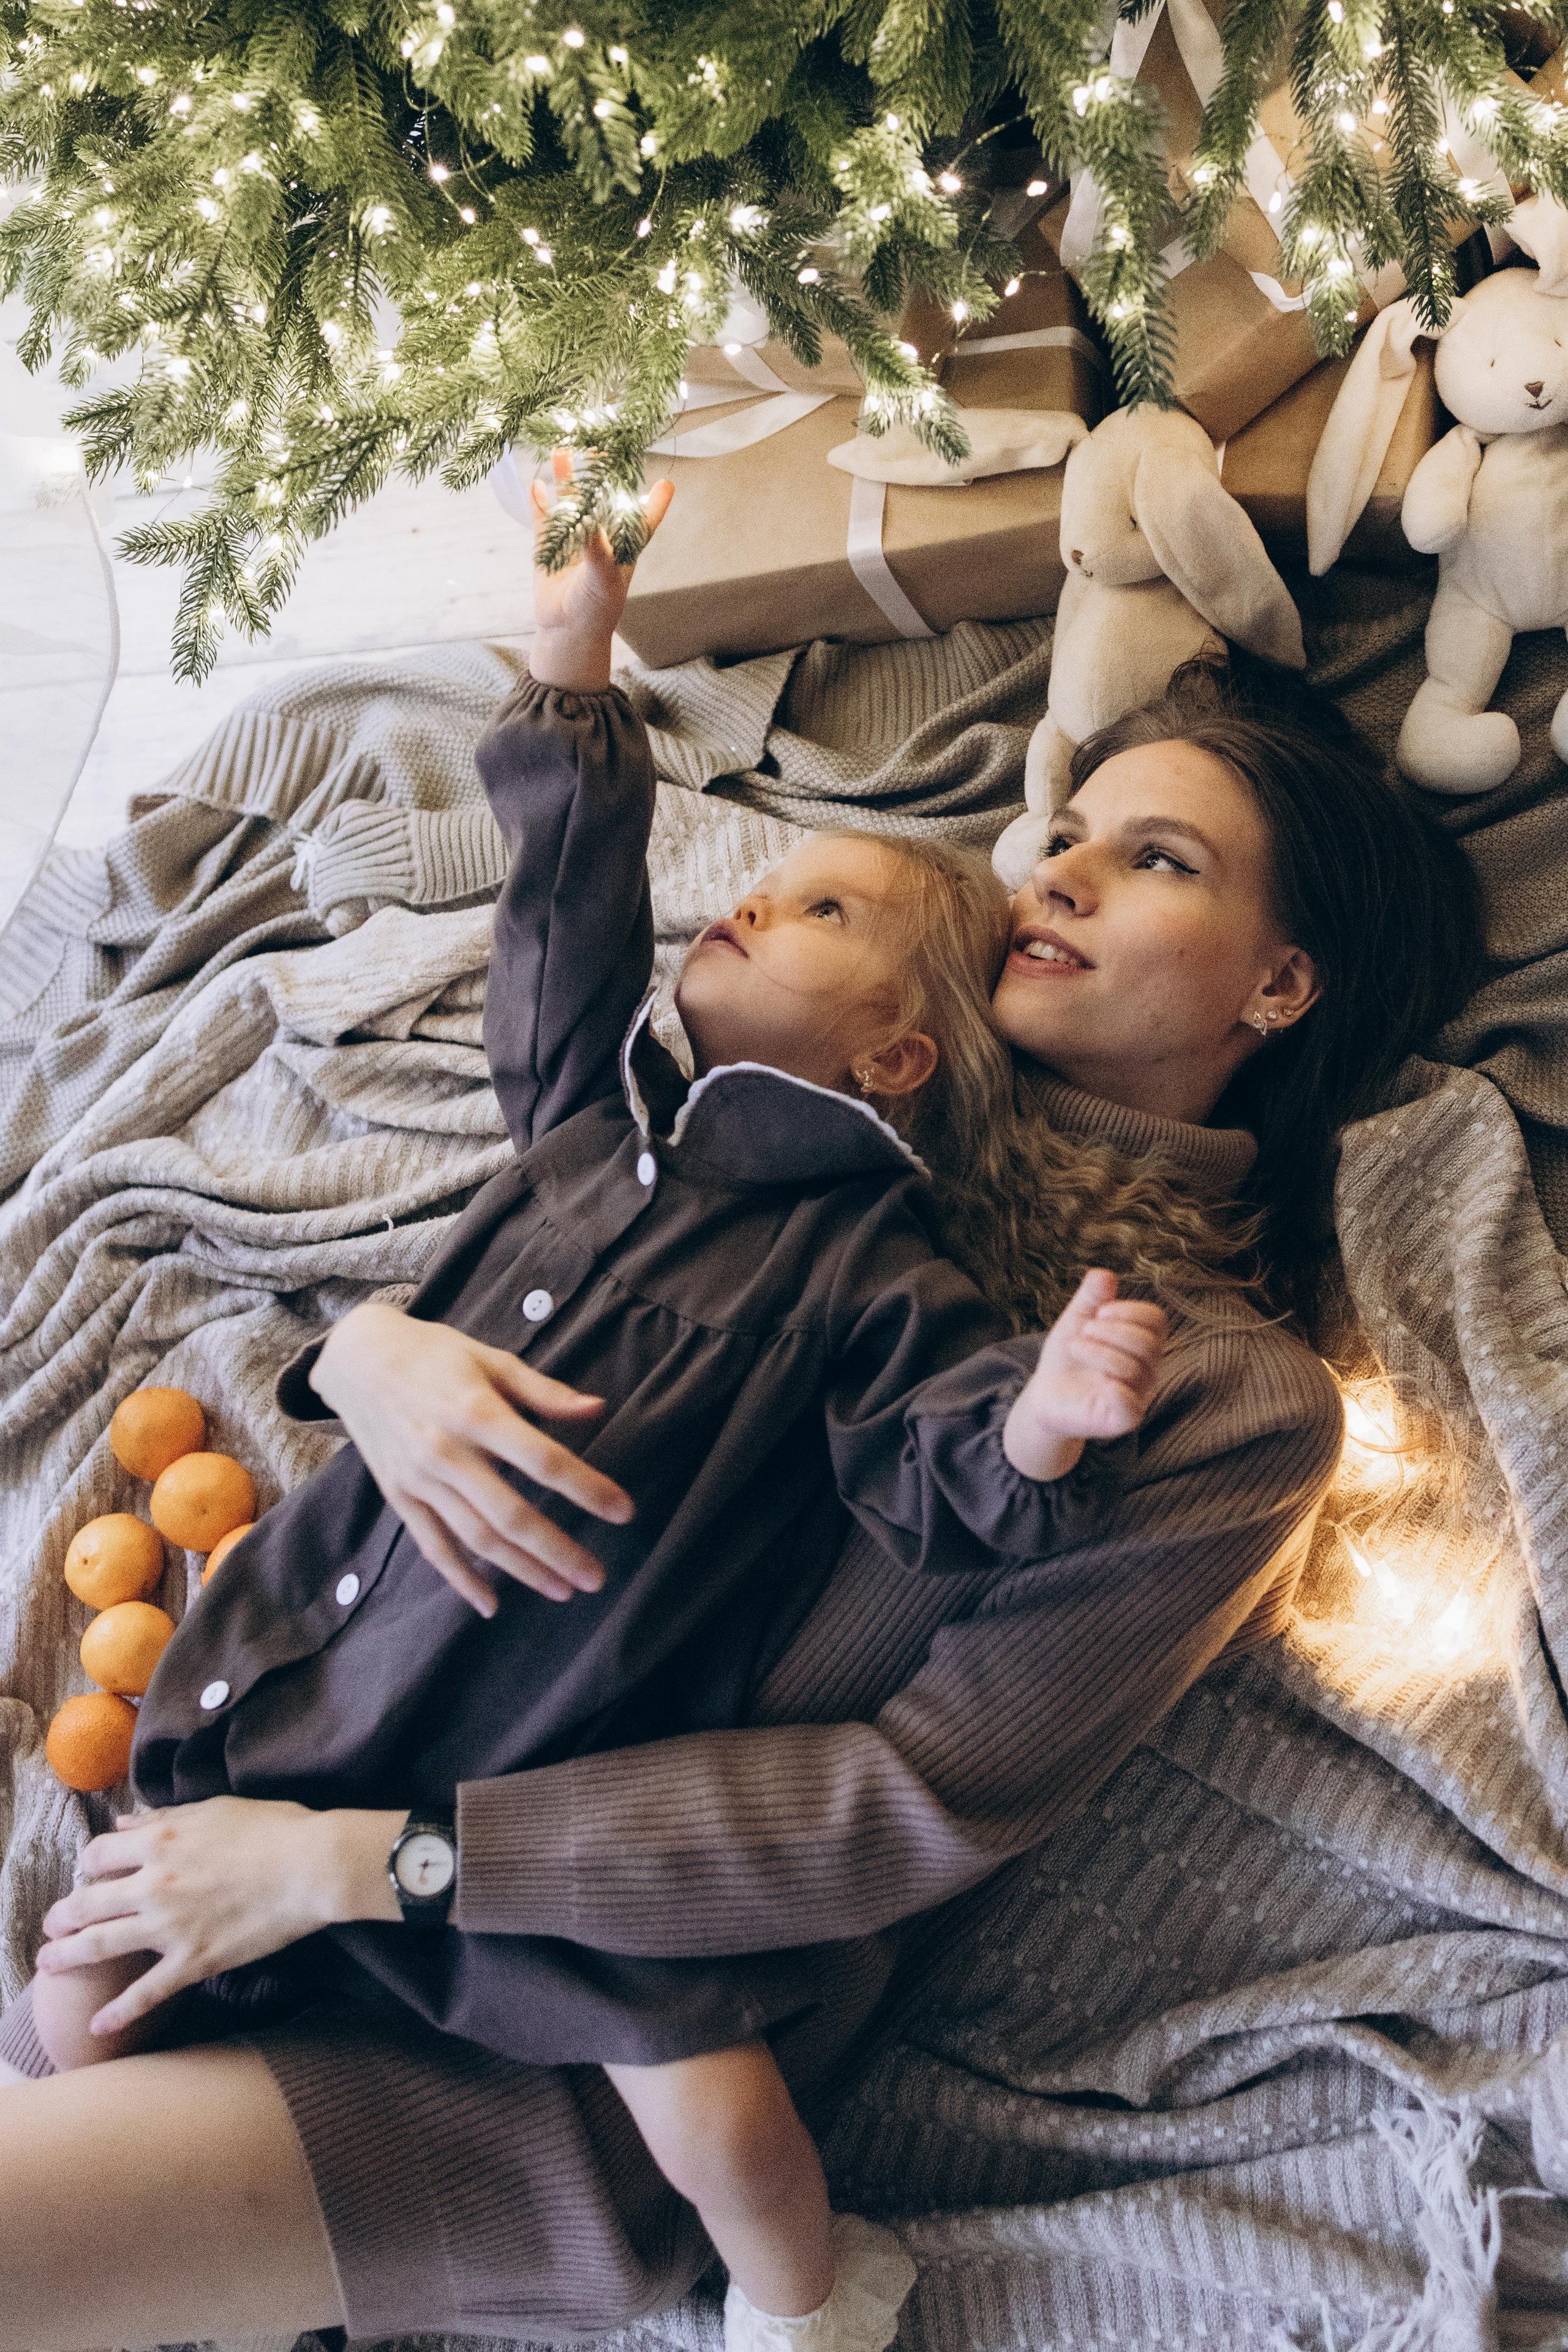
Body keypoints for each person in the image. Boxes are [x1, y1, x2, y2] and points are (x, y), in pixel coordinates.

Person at [0, 568, 1483, 2352]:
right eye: (1066, 831)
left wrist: (371, 1863)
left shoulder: (1218, 1402)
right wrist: (370, 1355)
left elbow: (901, 1801)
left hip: (569, 2034)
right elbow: (551, 1255)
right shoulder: (805, 1134)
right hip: (299, 1795)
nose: (1057, 873)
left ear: (1283, 981)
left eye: (1159, 861)